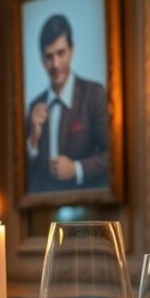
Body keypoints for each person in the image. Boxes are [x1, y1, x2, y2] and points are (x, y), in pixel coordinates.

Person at [25, 14, 109, 193]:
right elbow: (24, 178)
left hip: (90, 209)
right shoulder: (35, 105)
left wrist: (76, 168)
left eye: (61, 53)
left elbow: (114, 156)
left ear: (72, 50)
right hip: (45, 211)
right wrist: (32, 139)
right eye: (49, 57)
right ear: (41, 60)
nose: (55, 64)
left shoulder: (93, 94)